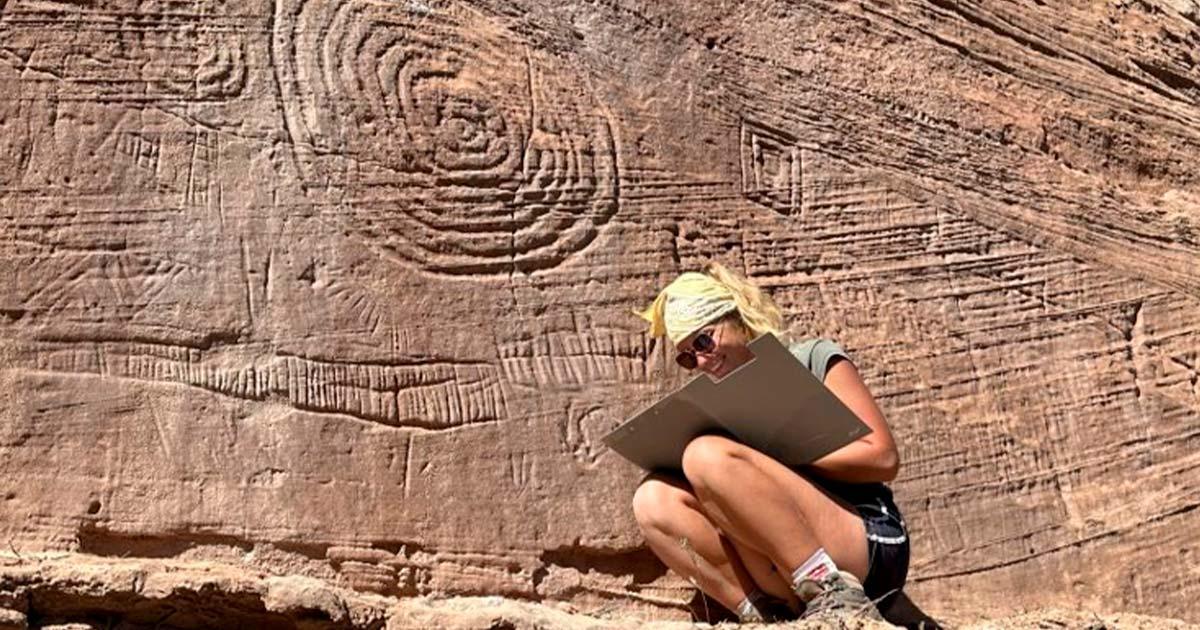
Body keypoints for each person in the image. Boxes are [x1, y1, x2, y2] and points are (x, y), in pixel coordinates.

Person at [631, 262, 909, 623]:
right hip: (780, 568)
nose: (700, 360)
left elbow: (884, 458)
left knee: (706, 456)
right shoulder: (716, 405)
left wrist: (781, 454)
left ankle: (834, 593)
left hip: (868, 544)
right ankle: (764, 615)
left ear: (738, 319)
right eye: (688, 356)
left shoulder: (813, 358)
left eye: (703, 341)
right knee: (652, 499)